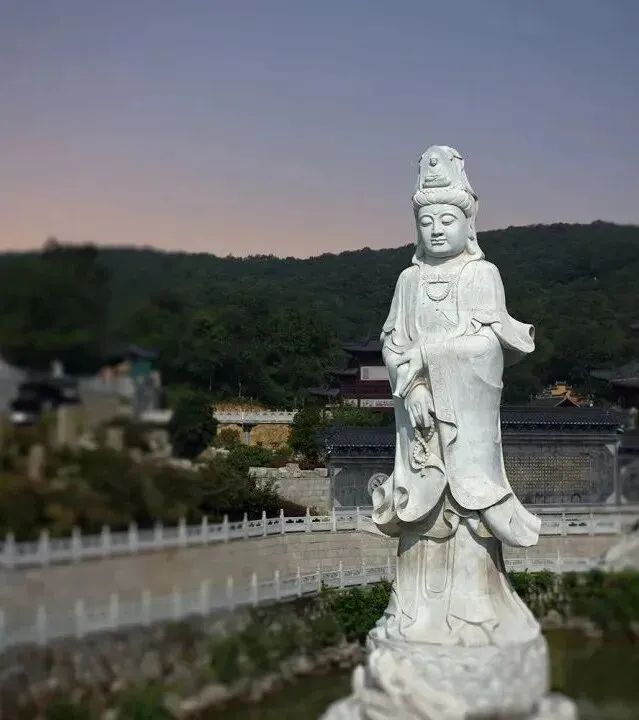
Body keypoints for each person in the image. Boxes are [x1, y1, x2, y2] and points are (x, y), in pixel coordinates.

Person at [371, 145, 541, 647]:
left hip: (466, 425)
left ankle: (476, 614)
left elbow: (487, 348)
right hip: (421, 427)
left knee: (468, 516)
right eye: (426, 221)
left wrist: (426, 356)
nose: (437, 230)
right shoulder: (408, 281)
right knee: (422, 518)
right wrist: (413, 385)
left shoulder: (480, 275)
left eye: (448, 219)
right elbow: (392, 344)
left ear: (469, 225)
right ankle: (412, 612)